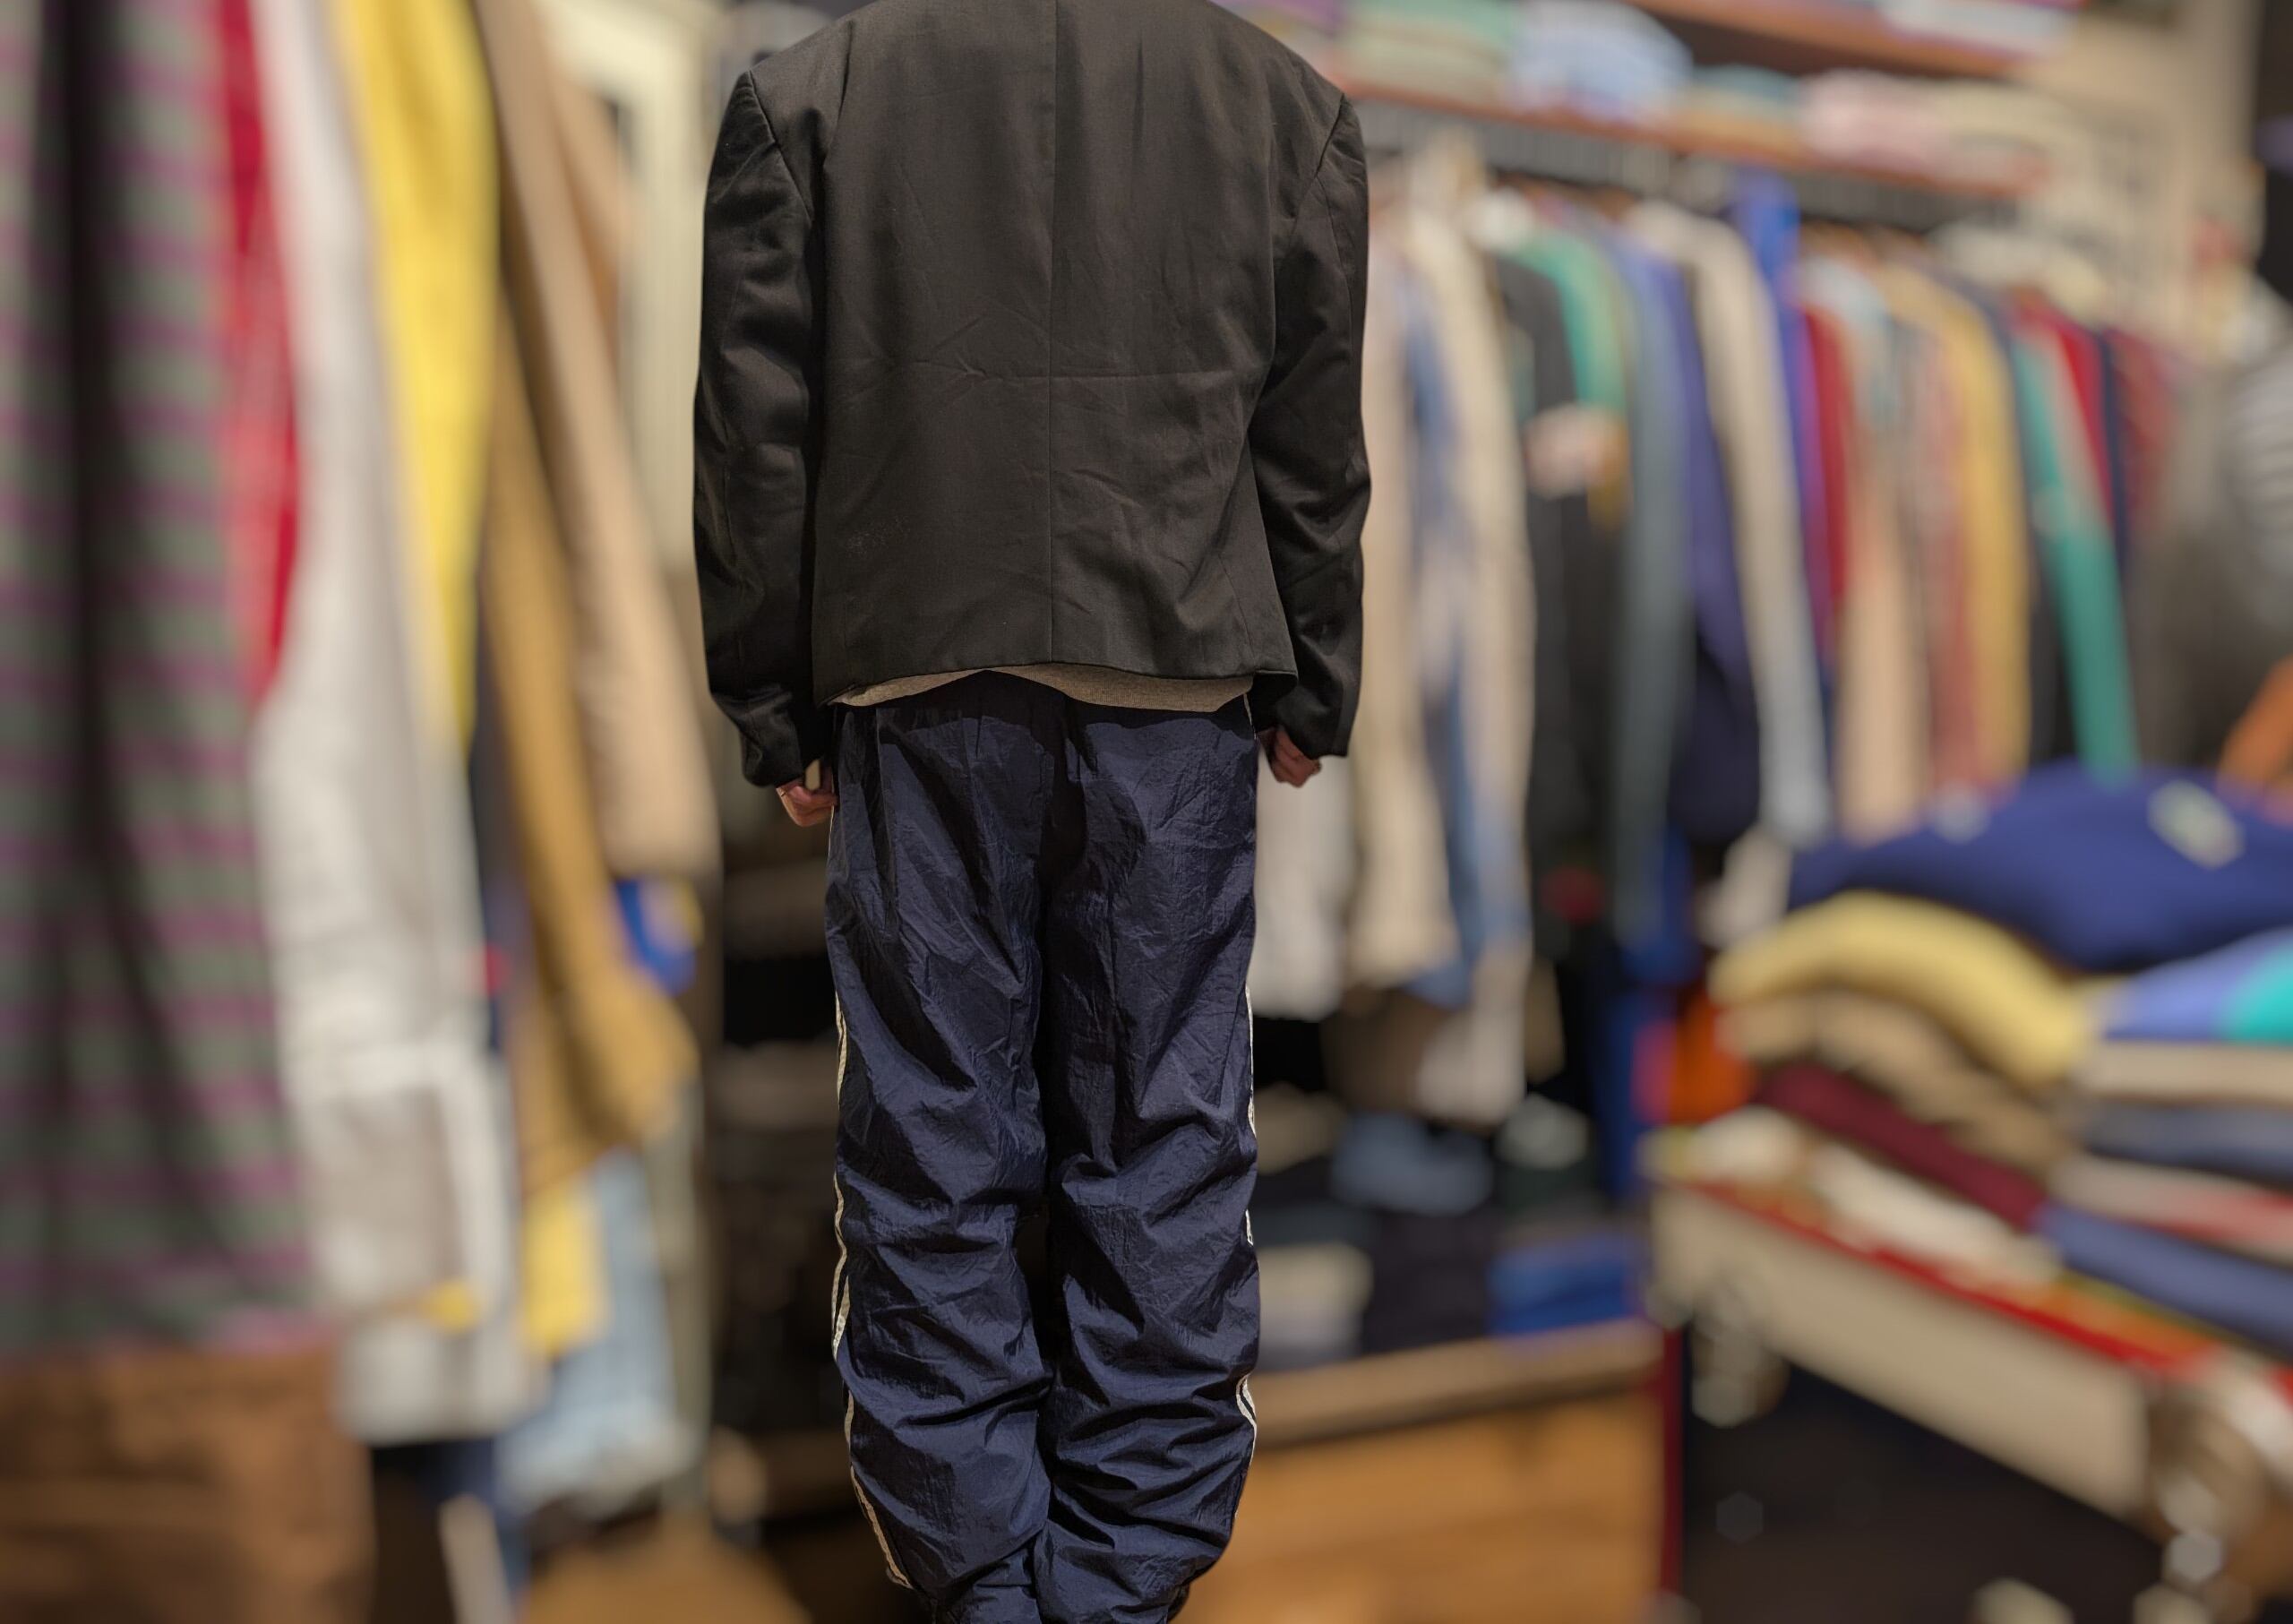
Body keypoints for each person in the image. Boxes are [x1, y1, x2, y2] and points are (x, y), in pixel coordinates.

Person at [691, 0, 1370, 1617]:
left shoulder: (808, 97)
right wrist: (1312, 676)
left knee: (933, 1145)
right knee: (1164, 1144)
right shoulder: (1285, 107)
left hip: (920, 682)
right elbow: (1311, 440)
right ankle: (1122, 1583)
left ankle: (982, 1581)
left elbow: (754, 438)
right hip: (1175, 686)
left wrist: (773, 697)